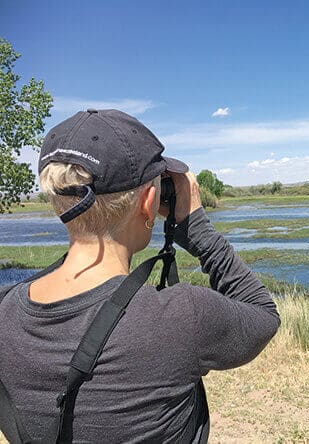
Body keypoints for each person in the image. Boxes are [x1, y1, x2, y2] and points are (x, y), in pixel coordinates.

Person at [0, 109, 280, 442]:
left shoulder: (6, 311)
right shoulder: (181, 315)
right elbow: (263, 315)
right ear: (149, 202)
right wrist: (197, 231)